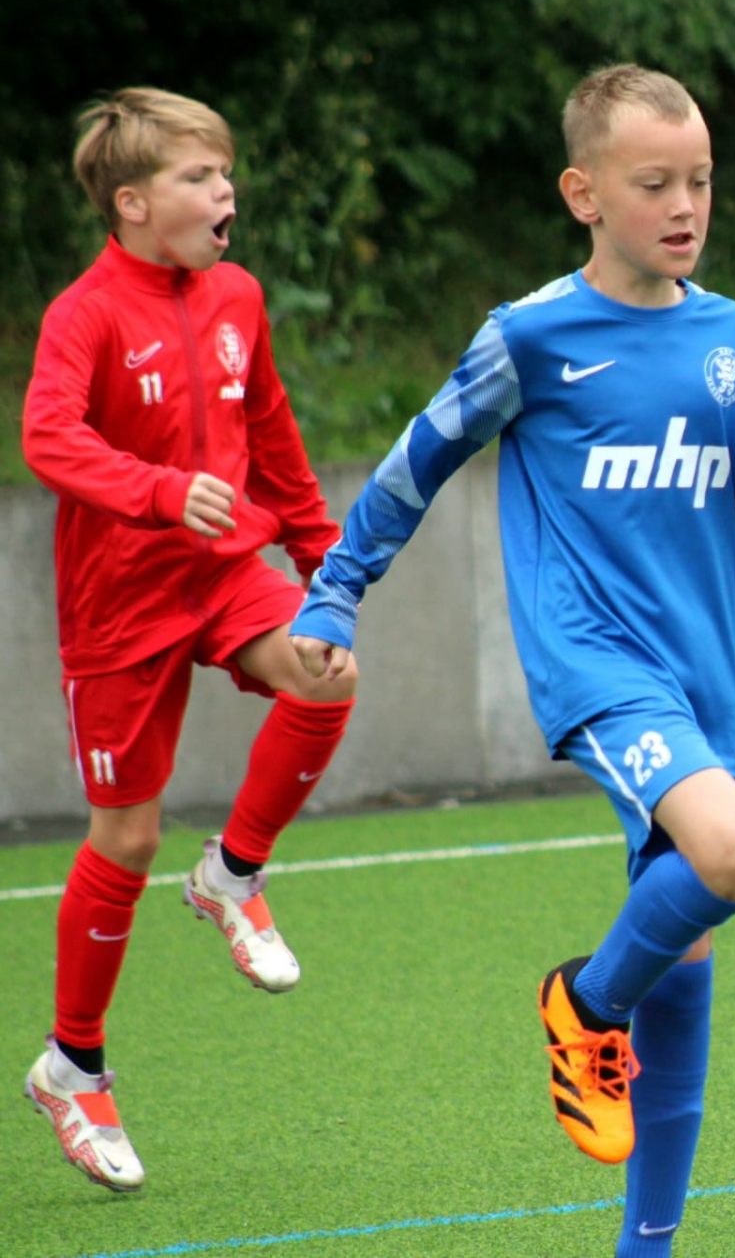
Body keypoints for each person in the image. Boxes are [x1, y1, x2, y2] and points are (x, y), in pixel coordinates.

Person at [287, 64, 735, 1257]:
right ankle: (582, 1001)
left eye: (701, 180)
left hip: (702, 679)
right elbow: (417, 461)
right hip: (599, 669)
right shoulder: (531, 338)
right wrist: (336, 591)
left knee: (688, 961)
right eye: (654, 183)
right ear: (584, 194)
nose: (686, 206)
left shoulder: (733, 334)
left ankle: (644, 1247)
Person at [20, 87, 358, 1193]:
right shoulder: (84, 314)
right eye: (200, 177)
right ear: (132, 202)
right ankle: (73, 1067)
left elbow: (272, 429)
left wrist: (324, 561)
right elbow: (47, 438)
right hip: (118, 604)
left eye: (225, 172)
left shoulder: (238, 296)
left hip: (223, 575)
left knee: (327, 676)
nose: (227, 193)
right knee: (125, 840)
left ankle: (233, 874)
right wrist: (162, 492)